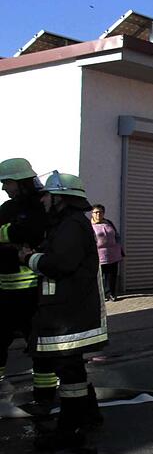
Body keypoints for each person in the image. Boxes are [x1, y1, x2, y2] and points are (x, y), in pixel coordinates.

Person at [19, 172, 107, 450]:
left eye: (47, 195)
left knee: (69, 372)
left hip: (69, 313)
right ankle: (89, 416)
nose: (43, 199)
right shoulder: (68, 224)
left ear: (59, 198)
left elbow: (61, 264)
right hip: (69, 310)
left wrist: (29, 258)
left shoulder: (71, 226)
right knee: (70, 367)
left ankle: (71, 426)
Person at [0, 158, 57, 406]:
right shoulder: (9, 207)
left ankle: (44, 399)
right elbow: (20, 233)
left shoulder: (39, 205)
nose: (3, 188)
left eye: (7, 182)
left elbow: (31, 232)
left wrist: (9, 233)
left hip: (33, 292)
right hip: (4, 290)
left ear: (21, 182)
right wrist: (12, 233)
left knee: (40, 348)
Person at [90, 204, 123, 301]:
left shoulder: (108, 223)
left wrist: (117, 244)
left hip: (113, 253)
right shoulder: (89, 225)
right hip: (99, 255)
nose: (98, 214)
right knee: (100, 277)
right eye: (96, 212)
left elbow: (116, 235)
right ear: (92, 214)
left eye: (101, 212)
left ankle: (112, 294)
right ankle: (101, 295)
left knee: (112, 275)